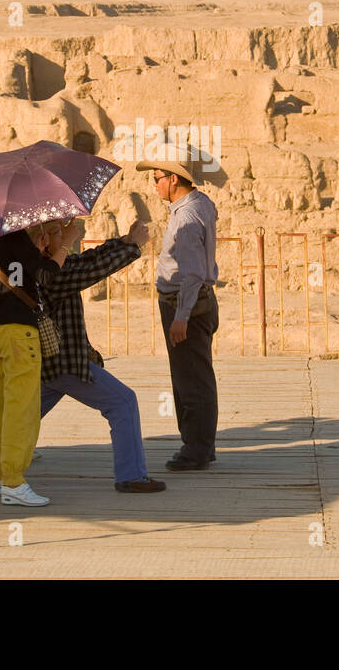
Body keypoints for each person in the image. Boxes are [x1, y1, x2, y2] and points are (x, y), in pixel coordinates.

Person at [0, 216, 166, 493]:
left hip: (42, 363)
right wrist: (130, 247)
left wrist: (124, 241)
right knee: (123, 401)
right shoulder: (49, 273)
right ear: (41, 240)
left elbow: (88, 259)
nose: (63, 232)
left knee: (14, 414)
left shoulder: (40, 263)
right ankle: (131, 476)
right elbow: (90, 268)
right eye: (55, 231)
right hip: (62, 364)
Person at [136, 156, 219, 471]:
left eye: (156, 178)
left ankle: (196, 449)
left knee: (191, 380)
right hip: (195, 302)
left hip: (186, 305)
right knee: (196, 375)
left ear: (173, 179)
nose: (154, 184)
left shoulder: (185, 217)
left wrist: (182, 316)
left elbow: (192, 273)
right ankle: (200, 444)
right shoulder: (201, 203)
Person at [0, 220, 63, 506]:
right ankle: (14, 480)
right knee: (21, 406)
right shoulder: (15, 237)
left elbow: (17, 271)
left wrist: (35, 249)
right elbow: (46, 275)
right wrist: (62, 246)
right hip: (19, 331)